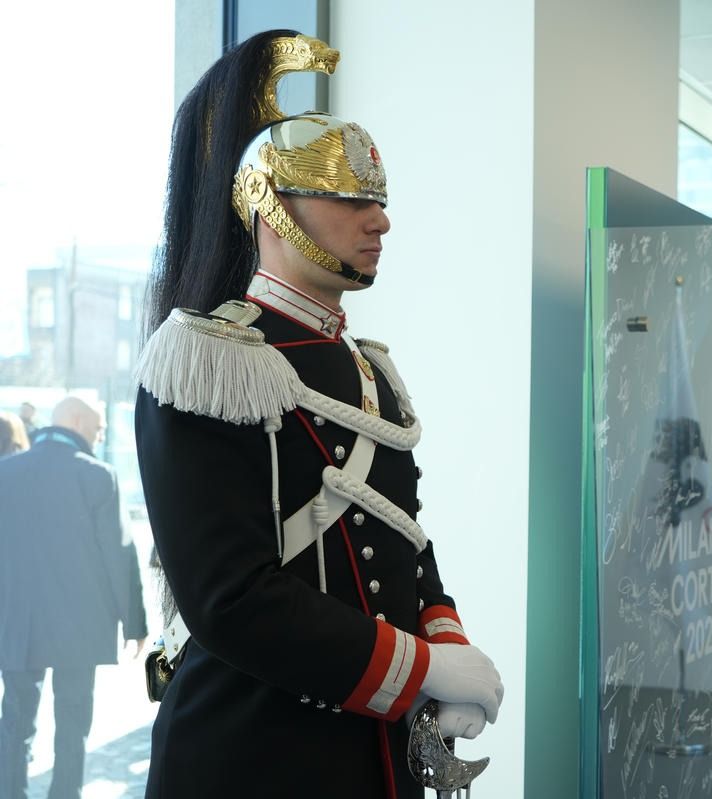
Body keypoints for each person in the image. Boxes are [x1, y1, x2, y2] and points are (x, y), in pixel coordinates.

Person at [134, 31, 503, 798]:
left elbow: (404, 539)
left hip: (376, 751)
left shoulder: (371, 369)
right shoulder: (205, 360)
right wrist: (423, 669)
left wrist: (446, 641)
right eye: (349, 198)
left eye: (380, 201)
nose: (379, 221)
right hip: (253, 755)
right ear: (269, 202)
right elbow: (230, 599)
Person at [0, 397, 148, 799]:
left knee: (14, 721)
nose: (100, 437)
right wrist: (135, 624)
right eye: (98, 429)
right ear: (77, 420)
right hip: (79, 624)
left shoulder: (6, 472)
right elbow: (119, 554)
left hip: (18, 620)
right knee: (73, 725)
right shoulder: (98, 476)